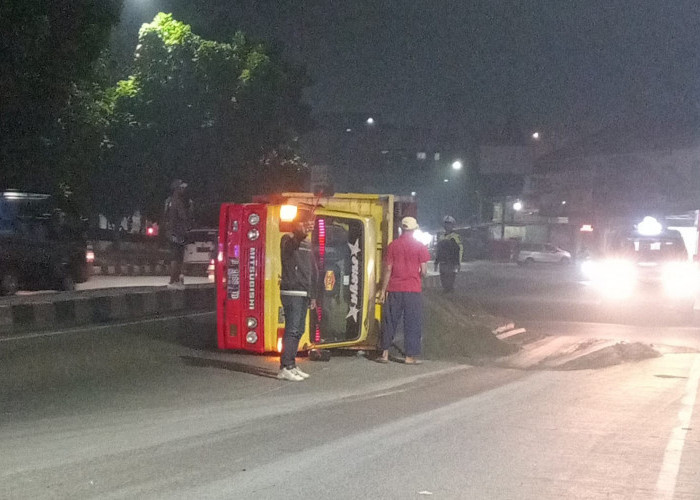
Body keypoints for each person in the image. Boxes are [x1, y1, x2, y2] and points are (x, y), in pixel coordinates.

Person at [377, 216, 431, 364]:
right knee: (412, 323)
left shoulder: (393, 245)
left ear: (402, 229)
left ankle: (384, 354)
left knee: (390, 321)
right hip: (413, 290)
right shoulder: (420, 247)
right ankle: (409, 357)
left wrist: (383, 290)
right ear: (414, 230)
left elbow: (388, 269)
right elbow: (425, 271)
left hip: (394, 288)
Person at [278, 220, 317, 381]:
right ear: (296, 226)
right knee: (292, 329)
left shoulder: (307, 244)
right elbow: (292, 245)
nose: (306, 228)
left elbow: (312, 270)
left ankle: (292, 365)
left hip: (303, 292)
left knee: (299, 330)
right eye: (302, 225)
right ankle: (285, 367)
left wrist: (312, 295)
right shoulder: (287, 239)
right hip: (292, 291)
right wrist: (301, 233)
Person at [164, 179, 192, 289]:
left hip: (170, 232)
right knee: (178, 257)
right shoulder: (178, 202)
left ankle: (175, 280)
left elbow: (165, 216)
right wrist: (190, 208)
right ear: (177, 189)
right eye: (181, 188)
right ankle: (173, 281)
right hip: (178, 233)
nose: (183, 189)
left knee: (174, 256)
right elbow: (184, 217)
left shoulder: (168, 201)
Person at [434, 215, 463, 293]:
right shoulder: (441, 237)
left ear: (452, 225)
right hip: (443, 263)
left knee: (450, 283)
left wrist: (458, 263)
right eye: (446, 224)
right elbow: (438, 251)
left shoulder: (456, 237)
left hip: (451, 263)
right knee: (443, 281)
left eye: (449, 224)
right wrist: (436, 262)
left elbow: (459, 251)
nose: (447, 226)